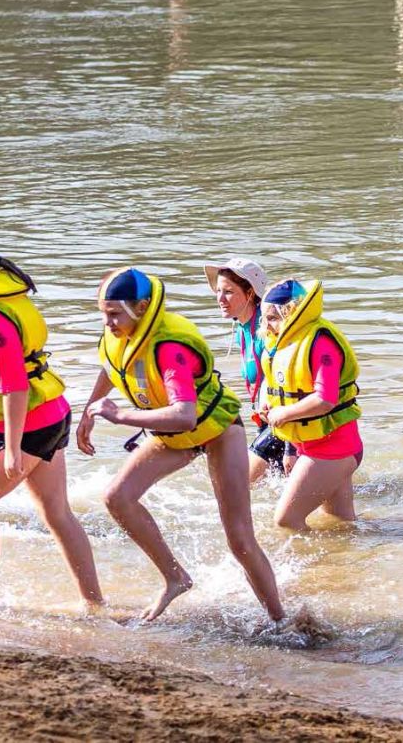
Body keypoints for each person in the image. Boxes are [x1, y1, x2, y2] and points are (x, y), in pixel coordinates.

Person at [77, 267, 285, 624]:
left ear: (141, 308)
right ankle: (175, 577)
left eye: (115, 314)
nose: (108, 322)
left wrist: (120, 415)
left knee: (239, 540)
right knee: (117, 497)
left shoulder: (170, 347)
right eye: (103, 313)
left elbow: (185, 416)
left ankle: (280, 620)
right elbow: (112, 366)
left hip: (217, 429)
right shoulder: (120, 335)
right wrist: (88, 411)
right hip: (173, 437)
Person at [0, 231, 104, 614]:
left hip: (29, 423)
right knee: (56, 511)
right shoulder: (4, 300)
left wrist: (12, 448)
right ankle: (95, 603)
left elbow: (13, 384)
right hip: (51, 412)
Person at [261, 279, 363, 532]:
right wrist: (270, 407)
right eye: (264, 319)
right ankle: (347, 566)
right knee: (340, 523)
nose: (267, 326)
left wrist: (283, 413)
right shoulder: (283, 341)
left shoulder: (320, 342)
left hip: (334, 448)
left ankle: (310, 569)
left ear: (292, 313)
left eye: (273, 318)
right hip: (310, 443)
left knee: (286, 520)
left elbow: (325, 399)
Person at [204, 257, 297, 486]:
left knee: (238, 484)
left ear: (249, 294)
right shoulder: (242, 329)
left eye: (228, 292)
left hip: (285, 427)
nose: (220, 299)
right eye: (218, 291)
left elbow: (290, 386)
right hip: (268, 423)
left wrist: (290, 447)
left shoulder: (266, 330)